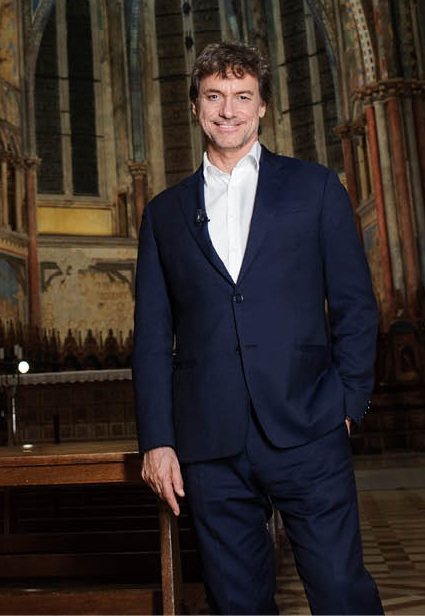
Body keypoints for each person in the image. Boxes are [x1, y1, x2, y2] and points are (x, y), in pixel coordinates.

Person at [132, 40, 382, 615]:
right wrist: (158, 439)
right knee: (237, 604)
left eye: (242, 96)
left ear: (264, 106)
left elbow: (355, 305)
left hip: (309, 425)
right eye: (215, 96)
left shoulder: (315, 188)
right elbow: (151, 334)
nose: (228, 110)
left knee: (343, 593)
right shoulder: (164, 213)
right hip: (209, 440)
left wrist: (348, 400)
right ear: (194, 106)